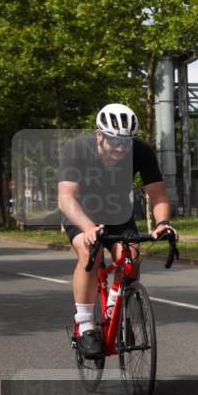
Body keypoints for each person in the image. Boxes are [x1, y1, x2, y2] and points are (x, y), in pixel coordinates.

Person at [58, 103, 177, 359]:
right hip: (82, 213)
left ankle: (115, 307)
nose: (121, 148)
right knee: (90, 251)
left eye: (126, 142)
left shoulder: (141, 151)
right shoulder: (77, 149)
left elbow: (157, 194)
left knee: (131, 256)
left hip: (118, 213)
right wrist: (89, 227)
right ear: (99, 134)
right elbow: (66, 198)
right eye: (114, 141)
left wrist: (162, 223)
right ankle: (86, 325)